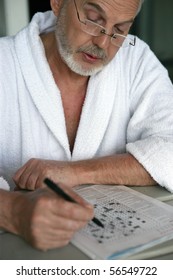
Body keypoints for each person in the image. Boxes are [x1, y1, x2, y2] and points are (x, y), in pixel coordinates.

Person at [0, 0, 173, 251]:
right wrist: (13, 211)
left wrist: (75, 172)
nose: (103, 44)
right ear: (58, 4)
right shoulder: (4, 65)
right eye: (93, 19)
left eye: (120, 30)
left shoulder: (136, 61)